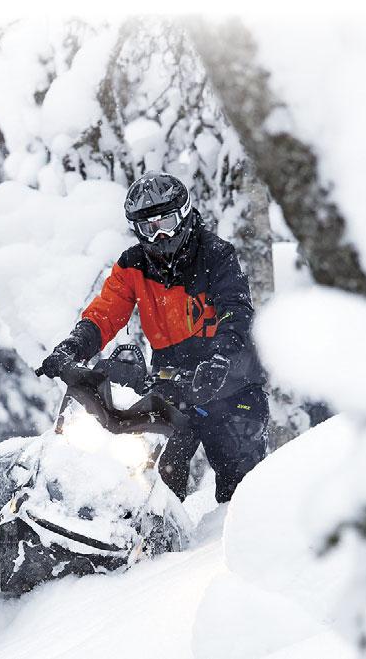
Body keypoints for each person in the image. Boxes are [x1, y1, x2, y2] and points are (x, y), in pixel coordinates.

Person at [40, 171, 269, 503]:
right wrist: (74, 346)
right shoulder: (133, 266)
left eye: (167, 221)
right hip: (172, 387)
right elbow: (106, 312)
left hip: (231, 383)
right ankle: (155, 546)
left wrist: (220, 360)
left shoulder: (216, 255)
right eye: (149, 227)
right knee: (149, 480)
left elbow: (235, 310)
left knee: (242, 490)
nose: (161, 234)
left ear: (185, 214)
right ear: (137, 230)